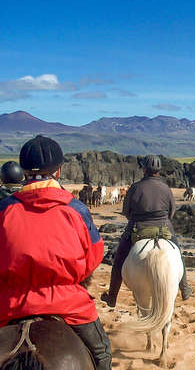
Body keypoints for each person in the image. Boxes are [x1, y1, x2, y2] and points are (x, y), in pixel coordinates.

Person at [0, 135, 111, 370]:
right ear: (58, 172)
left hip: (9, 302)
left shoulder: (4, 209)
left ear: (24, 171)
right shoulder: (76, 209)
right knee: (101, 354)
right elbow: (93, 256)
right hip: (68, 302)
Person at [101, 154, 193, 307]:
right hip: (164, 226)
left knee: (120, 257)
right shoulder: (165, 188)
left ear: (144, 169)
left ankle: (112, 296)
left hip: (137, 226)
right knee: (177, 250)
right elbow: (172, 211)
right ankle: (184, 287)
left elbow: (126, 211)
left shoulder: (135, 187)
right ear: (158, 170)